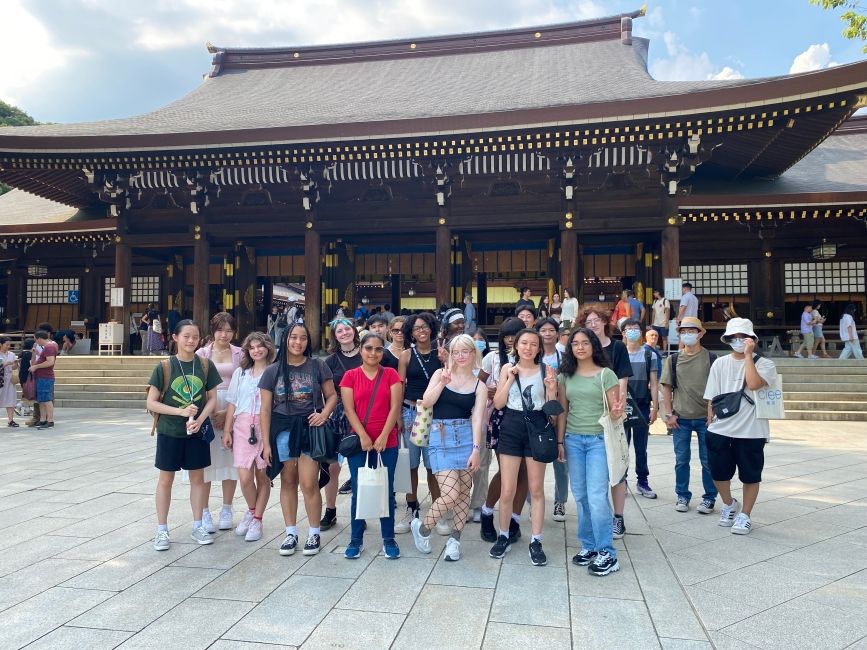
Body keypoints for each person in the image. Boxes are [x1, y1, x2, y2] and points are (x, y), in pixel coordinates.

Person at [261, 323, 338, 557]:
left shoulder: (318, 365)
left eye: (303, 338)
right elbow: (265, 410)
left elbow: (332, 395)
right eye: (293, 337)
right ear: (285, 339)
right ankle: (291, 532)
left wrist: (324, 414)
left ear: (308, 341)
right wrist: (266, 444)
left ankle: (314, 532)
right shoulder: (272, 371)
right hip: (282, 429)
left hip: (309, 429)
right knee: (288, 481)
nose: (298, 342)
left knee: (308, 483)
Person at [411, 334, 487, 561]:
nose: (461, 356)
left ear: (474, 353)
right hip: (440, 436)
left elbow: (477, 419)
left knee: (464, 493)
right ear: (451, 354)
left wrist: (475, 449)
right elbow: (426, 401)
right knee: (451, 494)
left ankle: (455, 540)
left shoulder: (479, 385)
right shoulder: (440, 374)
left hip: (465, 437)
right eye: (456, 352)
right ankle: (423, 528)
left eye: (466, 351)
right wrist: (443, 383)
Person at [147, 320, 220, 551]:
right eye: (186, 336)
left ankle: (198, 524)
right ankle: (161, 529)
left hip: (196, 432)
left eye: (195, 337)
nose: (191, 340)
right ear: (175, 338)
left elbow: (212, 399)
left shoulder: (206, 365)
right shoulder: (164, 367)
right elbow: (151, 402)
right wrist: (179, 411)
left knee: (198, 479)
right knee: (165, 480)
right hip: (170, 430)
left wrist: (200, 420)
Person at [557, 328, 623, 576]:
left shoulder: (606, 375)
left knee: (596, 497)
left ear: (594, 345)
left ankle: (607, 552)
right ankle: (589, 546)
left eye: (585, 342)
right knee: (581, 496)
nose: (580, 347)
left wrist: (617, 412)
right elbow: (563, 411)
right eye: (575, 343)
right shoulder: (566, 376)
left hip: (598, 440)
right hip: (573, 440)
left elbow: (615, 412)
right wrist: (560, 442)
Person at [490, 328, 558, 566]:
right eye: (524, 343)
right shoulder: (507, 368)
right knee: (507, 489)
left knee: (536, 488)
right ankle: (504, 535)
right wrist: (509, 379)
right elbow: (498, 403)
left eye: (533, 344)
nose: (528, 348)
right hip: (511, 425)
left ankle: (536, 540)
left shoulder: (545, 370)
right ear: (516, 346)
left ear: (539, 348)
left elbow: (552, 410)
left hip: (537, 427)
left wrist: (551, 388)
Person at [704, 318, 777, 535]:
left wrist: (747, 356)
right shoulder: (719, 363)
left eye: (742, 337)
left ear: (752, 339)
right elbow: (712, 397)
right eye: (733, 337)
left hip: (751, 430)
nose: (738, 341)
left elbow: (754, 384)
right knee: (718, 473)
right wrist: (710, 421)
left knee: (750, 474)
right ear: (727, 339)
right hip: (721, 428)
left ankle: (745, 514)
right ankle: (728, 503)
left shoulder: (765, 364)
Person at [341, 332, 404, 559]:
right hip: (360, 442)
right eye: (368, 348)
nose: (373, 353)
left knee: (385, 490)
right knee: (359, 489)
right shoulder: (350, 376)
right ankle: (356, 539)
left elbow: (395, 407)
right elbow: (349, 410)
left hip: (387, 441)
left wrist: (384, 435)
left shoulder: (391, 374)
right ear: (361, 349)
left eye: (378, 349)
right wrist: (364, 436)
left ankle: (388, 538)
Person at [577, 306, 632, 538]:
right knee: (595, 477)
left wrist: (615, 409)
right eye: (588, 321)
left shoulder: (617, 347)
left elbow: (622, 379)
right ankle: (597, 518)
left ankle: (618, 517)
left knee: (617, 468)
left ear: (605, 322)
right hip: (588, 420)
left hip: (613, 416)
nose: (593, 324)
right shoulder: (582, 349)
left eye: (597, 320)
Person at [660, 317, 718, 514]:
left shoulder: (711, 358)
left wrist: (712, 415)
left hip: (705, 418)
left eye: (691, 331)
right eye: (683, 331)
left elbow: (716, 389)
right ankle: (682, 495)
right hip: (680, 418)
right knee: (681, 460)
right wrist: (669, 414)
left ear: (701, 333)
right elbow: (667, 388)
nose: (687, 335)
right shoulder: (673, 359)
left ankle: (709, 497)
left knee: (708, 460)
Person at [476, 318, 527, 539]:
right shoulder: (493, 358)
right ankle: (487, 511)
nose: (511, 339)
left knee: (524, 472)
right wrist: (488, 391)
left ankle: (515, 519)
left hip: (529, 418)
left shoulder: (531, 356)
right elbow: (478, 383)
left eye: (515, 335)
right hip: (500, 417)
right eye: (507, 335)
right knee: (507, 472)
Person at [222, 332, 276, 542]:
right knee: (245, 477)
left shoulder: (274, 372)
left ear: (268, 348)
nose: (256, 350)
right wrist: (227, 430)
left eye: (260, 346)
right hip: (243, 425)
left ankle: (258, 519)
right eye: (252, 347)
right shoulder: (241, 373)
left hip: (265, 426)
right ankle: (252, 510)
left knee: (263, 476)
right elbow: (232, 402)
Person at [194, 313, 243, 533]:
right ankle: (203, 510)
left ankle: (227, 508)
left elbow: (244, 383)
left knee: (230, 460)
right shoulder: (202, 353)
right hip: (207, 408)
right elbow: (196, 384)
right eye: (220, 329)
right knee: (205, 461)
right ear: (213, 330)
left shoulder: (240, 354)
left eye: (229, 330)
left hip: (232, 407)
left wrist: (227, 414)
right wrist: (212, 411)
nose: (224, 334)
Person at [396, 312, 444, 534]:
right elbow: (399, 387)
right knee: (410, 464)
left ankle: (438, 510)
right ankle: (412, 508)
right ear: (410, 333)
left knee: (433, 465)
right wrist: (397, 415)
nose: (421, 331)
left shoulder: (441, 353)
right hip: (410, 412)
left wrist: (446, 360)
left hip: (436, 413)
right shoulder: (406, 355)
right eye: (416, 328)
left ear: (432, 328)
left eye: (425, 327)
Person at [321, 318, 362, 531]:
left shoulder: (366, 353)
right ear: (334, 336)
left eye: (347, 329)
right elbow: (325, 393)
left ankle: (360, 513)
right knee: (332, 466)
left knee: (359, 467)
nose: (344, 333)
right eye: (339, 331)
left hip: (362, 414)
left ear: (354, 331)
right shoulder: (330, 361)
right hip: (336, 416)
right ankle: (330, 510)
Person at [621, 319, 658, 499]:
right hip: (623, 407)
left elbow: (654, 382)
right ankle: (622, 480)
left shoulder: (649, 355)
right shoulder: (619, 354)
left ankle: (642, 481)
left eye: (636, 329)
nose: (632, 332)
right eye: (629, 329)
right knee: (622, 446)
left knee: (641, 446)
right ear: (623, 333)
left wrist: (655, 407)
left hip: (643, 405)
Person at [536, 317, 568, 522]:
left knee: (561, 460)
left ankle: (560, 501)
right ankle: (532, 502)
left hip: (561, 410)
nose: (547, 334)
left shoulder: (565, 357)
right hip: (537, 413)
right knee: (534, 461)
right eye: (543, 330)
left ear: (557, 334)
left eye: (551, 330)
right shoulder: (532, 355)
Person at [29, 329, 58, 430]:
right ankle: (42, 420)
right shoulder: (48, 346)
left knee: (46, 398)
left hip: (45, 376)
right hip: (41, 376)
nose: (36, 342)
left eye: (36, 339)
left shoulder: (49, 347)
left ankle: (50, 420)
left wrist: (36, 367)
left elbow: (50, 362)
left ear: (40, 338)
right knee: (41, 399)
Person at [0, 337, 19, 427]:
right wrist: (7, 363)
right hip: (1, 379)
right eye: (6, 344)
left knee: (10, 399)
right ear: (1, 344)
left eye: (9, 344)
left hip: (10, 379)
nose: (8, 346)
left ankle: (11, 420)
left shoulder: (11, 354)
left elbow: (14, 368)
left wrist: (15, 364)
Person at [18, 338, 34, 419]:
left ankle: (27, 409)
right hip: (28, 376)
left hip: (21, 375)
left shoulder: (21, 353)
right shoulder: (30, 354)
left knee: (25, 391)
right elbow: (32, 365)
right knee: (28, 393)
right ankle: (19, 405)